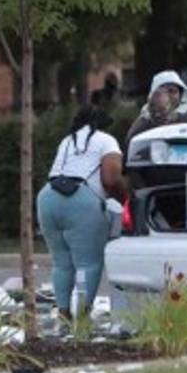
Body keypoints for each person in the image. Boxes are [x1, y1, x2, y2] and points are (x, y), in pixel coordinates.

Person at [37, 105, 127, 327]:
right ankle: (83, 317)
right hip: (82, 199)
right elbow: (111, 178)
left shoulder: (66, 141)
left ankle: (64, 314)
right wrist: (124, 197)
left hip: (47, 197)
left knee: (61, 263)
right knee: (88, 264)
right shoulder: (106, 140)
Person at [123, 70, 187, 149]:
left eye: (172, 91)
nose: (167, 96)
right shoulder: (142, 124)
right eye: (161, 92)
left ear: (180, 95)